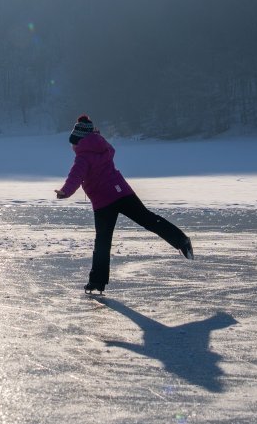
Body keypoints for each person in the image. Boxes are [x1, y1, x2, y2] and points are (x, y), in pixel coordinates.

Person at [55, 115, 193, 294]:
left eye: (73, 142)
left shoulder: (83, 157)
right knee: (149, 219)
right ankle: (181, 240)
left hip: (103, 202)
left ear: (78, 140)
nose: (72, 147)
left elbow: (76, 176)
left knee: (103, 242)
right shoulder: (102, 147)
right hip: (122, 192)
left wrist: (66, 192)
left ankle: (97, 282)